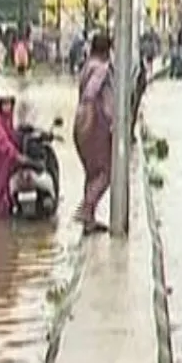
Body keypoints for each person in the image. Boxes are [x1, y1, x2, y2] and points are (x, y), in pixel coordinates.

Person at [74, 32, 115, 234]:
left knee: (91, 173)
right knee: (107, 172)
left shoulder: (86, 66)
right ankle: (86, 208)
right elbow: (91, 94)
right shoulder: (101, 69)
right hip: (94, 124)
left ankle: (89, 221)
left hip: (79, 121)